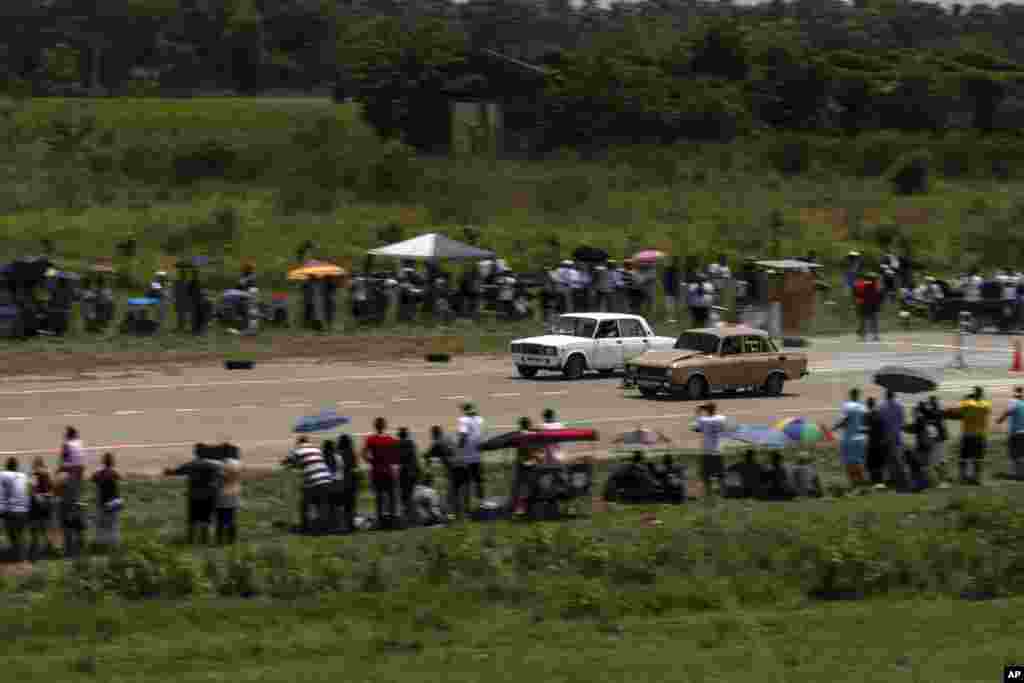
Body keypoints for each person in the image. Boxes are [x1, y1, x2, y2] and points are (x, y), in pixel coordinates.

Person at [165, 444, 224, 544]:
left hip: (194, 496)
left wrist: (168, 471)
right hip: (209, 496)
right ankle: (204, 541)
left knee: (192, 521)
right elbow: (222, 477)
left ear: (196, 453)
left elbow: (176, 472)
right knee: (206, 521)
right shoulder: (215, 465)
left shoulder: (191, 464)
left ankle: (190, 540)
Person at [282, 437, 333, 533]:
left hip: (314, 481)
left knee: (304, 504)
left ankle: (305, 527)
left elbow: (287, 461)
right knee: (322, 504)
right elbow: (311, 463)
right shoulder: (317, 450)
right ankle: (324, 527)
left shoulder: (298, 451)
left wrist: (286, 463)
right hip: (327, 479)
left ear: (299, 443)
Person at [949, 387, 992, 485]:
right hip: (981, 435)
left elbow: (959, 414)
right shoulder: (986, 405)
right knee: (978, 458)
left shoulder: (969, 406)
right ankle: (977, 478)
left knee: (964, 458)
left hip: (968, 435)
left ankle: (963, 477)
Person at [362, 417, 400, 528]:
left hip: (376, 472)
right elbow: (396, 456)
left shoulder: (370, 439)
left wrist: (372, 461)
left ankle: (380, 521)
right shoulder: (390, 440)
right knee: (391, 497)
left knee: (379, 498)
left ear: (375, 426)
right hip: (388, 472)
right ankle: (393, 521)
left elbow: (364, 454)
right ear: (385, 426)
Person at [425, 425, 467, 520]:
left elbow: (427, 456)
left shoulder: (437, 443)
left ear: (434, 434)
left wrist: (428, 469)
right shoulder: (449, 438)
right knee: (458, 493)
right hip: (463, 465)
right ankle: (461, 515)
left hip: (454, 469)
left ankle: (455, 516)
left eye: (432, 435)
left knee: (451, 495)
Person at [833, 388, 868, 489]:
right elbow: (865, 423)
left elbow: (845, 420)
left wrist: (834, 428)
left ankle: (853, 483)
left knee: (848, 462)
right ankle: (861, 483)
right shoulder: (863, 407)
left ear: (851, 395)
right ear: (858, 395)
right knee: (859, 462)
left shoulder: (847, 406)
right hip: (861, 439)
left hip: (848, 439)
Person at [693, 402, 727, 497]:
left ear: (706, 410)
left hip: (706, 452)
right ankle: (723, 492)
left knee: (706, 475)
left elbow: (695, 428)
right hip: (718, 451)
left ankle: (708, 493)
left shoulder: (703, 420)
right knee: (721, 475)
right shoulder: (722, 418)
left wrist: (699, 410)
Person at [0, 457, 30, 562]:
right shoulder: (23, 476)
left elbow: (1, 493)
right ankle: (21, 556)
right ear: (16, 466)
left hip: (12, 510)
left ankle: (16, 555)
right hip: (24, 510)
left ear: (6, 465)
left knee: (11, 532)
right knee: (21, 534)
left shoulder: (3, 475)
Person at [91, 452, 122, 551]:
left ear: (103, 461)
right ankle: (114, 547)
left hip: (102, 504)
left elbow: (92, 478)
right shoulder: (114, 473)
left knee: (100, 527)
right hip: (113, 504)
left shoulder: (99, 473)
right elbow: (119, 477)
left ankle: (100, 547)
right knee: (113, 527)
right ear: (112, 462)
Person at [879, 390, 909, 490]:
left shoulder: (881, 406)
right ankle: (902, 480)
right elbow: (903, 422)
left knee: (888, 460)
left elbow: (880, 422)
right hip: (897, 436)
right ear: (894, 395)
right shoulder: (900, 406)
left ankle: (891, 480)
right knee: (899, 459)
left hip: (886, 436)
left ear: (886, 396)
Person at [457, 403, 486, 507]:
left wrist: (458, 450)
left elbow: (463, 436)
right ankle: (481, 503)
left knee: (466, 482)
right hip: (477, 455)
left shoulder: (463, 420)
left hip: (467, 456)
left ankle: (466, 506)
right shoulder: (480, 419)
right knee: (479, 481)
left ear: (464, 410)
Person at [28, 457, 55, 560]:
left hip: (37, 504)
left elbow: (33, 489)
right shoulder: (48, 473)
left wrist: (37, 498)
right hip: (48, 502)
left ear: (35, 464)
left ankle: (33, 554)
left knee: (35, 530)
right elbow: (52, 487)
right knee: (46, 528)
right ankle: (50, 549)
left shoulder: (34, 474)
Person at [216, 444, 242, 544]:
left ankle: (220, 540)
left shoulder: (220, 464)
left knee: (220, 520)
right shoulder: (238, 463)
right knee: (231, 519)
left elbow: (219, 478)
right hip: (235, 493)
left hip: (222, 494)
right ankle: (232, 540)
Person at [997, 387, 1024, 479]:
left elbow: (1008, 411)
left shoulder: (1014, 401)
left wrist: (1000, 420)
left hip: (1015, 433)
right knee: (1020, 454)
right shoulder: (1022, 403)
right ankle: (1020, 473)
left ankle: (1016, 474)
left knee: (1014, 454)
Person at [335, 434, 360, 532]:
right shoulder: (351, 453)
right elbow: (355, 467)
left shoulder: (338, 454)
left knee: (341, 505)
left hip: (341, 481)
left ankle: (342, 525)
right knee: (351, 505)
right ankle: (351, 524)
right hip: (351, 481)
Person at [397, 428, 420, 524]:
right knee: (411, 495)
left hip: (405, 473)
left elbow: (399, 459)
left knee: (405, 496)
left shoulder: (398, 444)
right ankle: (413, 517)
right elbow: (415, 458)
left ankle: (409, 517)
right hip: (413, 472)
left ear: (399, 435)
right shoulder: (411, 443)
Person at [865, 397, 887, 486]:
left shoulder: (867, 415)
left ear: (868, 405)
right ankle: (880, 481)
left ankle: (874, 482)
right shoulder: (880, 414)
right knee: (879, 464)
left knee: (871, 464)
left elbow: (867, 429)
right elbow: (883, 427)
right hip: (880, 442)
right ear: (874, 404)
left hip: (872, 442)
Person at [664, 257, 681, 323]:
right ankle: (671, 318)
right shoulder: (674, 270)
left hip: (670, 290)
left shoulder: (669, 270)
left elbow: (666, 281)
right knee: (671, 305)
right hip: (671, 290)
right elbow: (676, 281)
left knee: (671, 305)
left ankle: (671, 318)